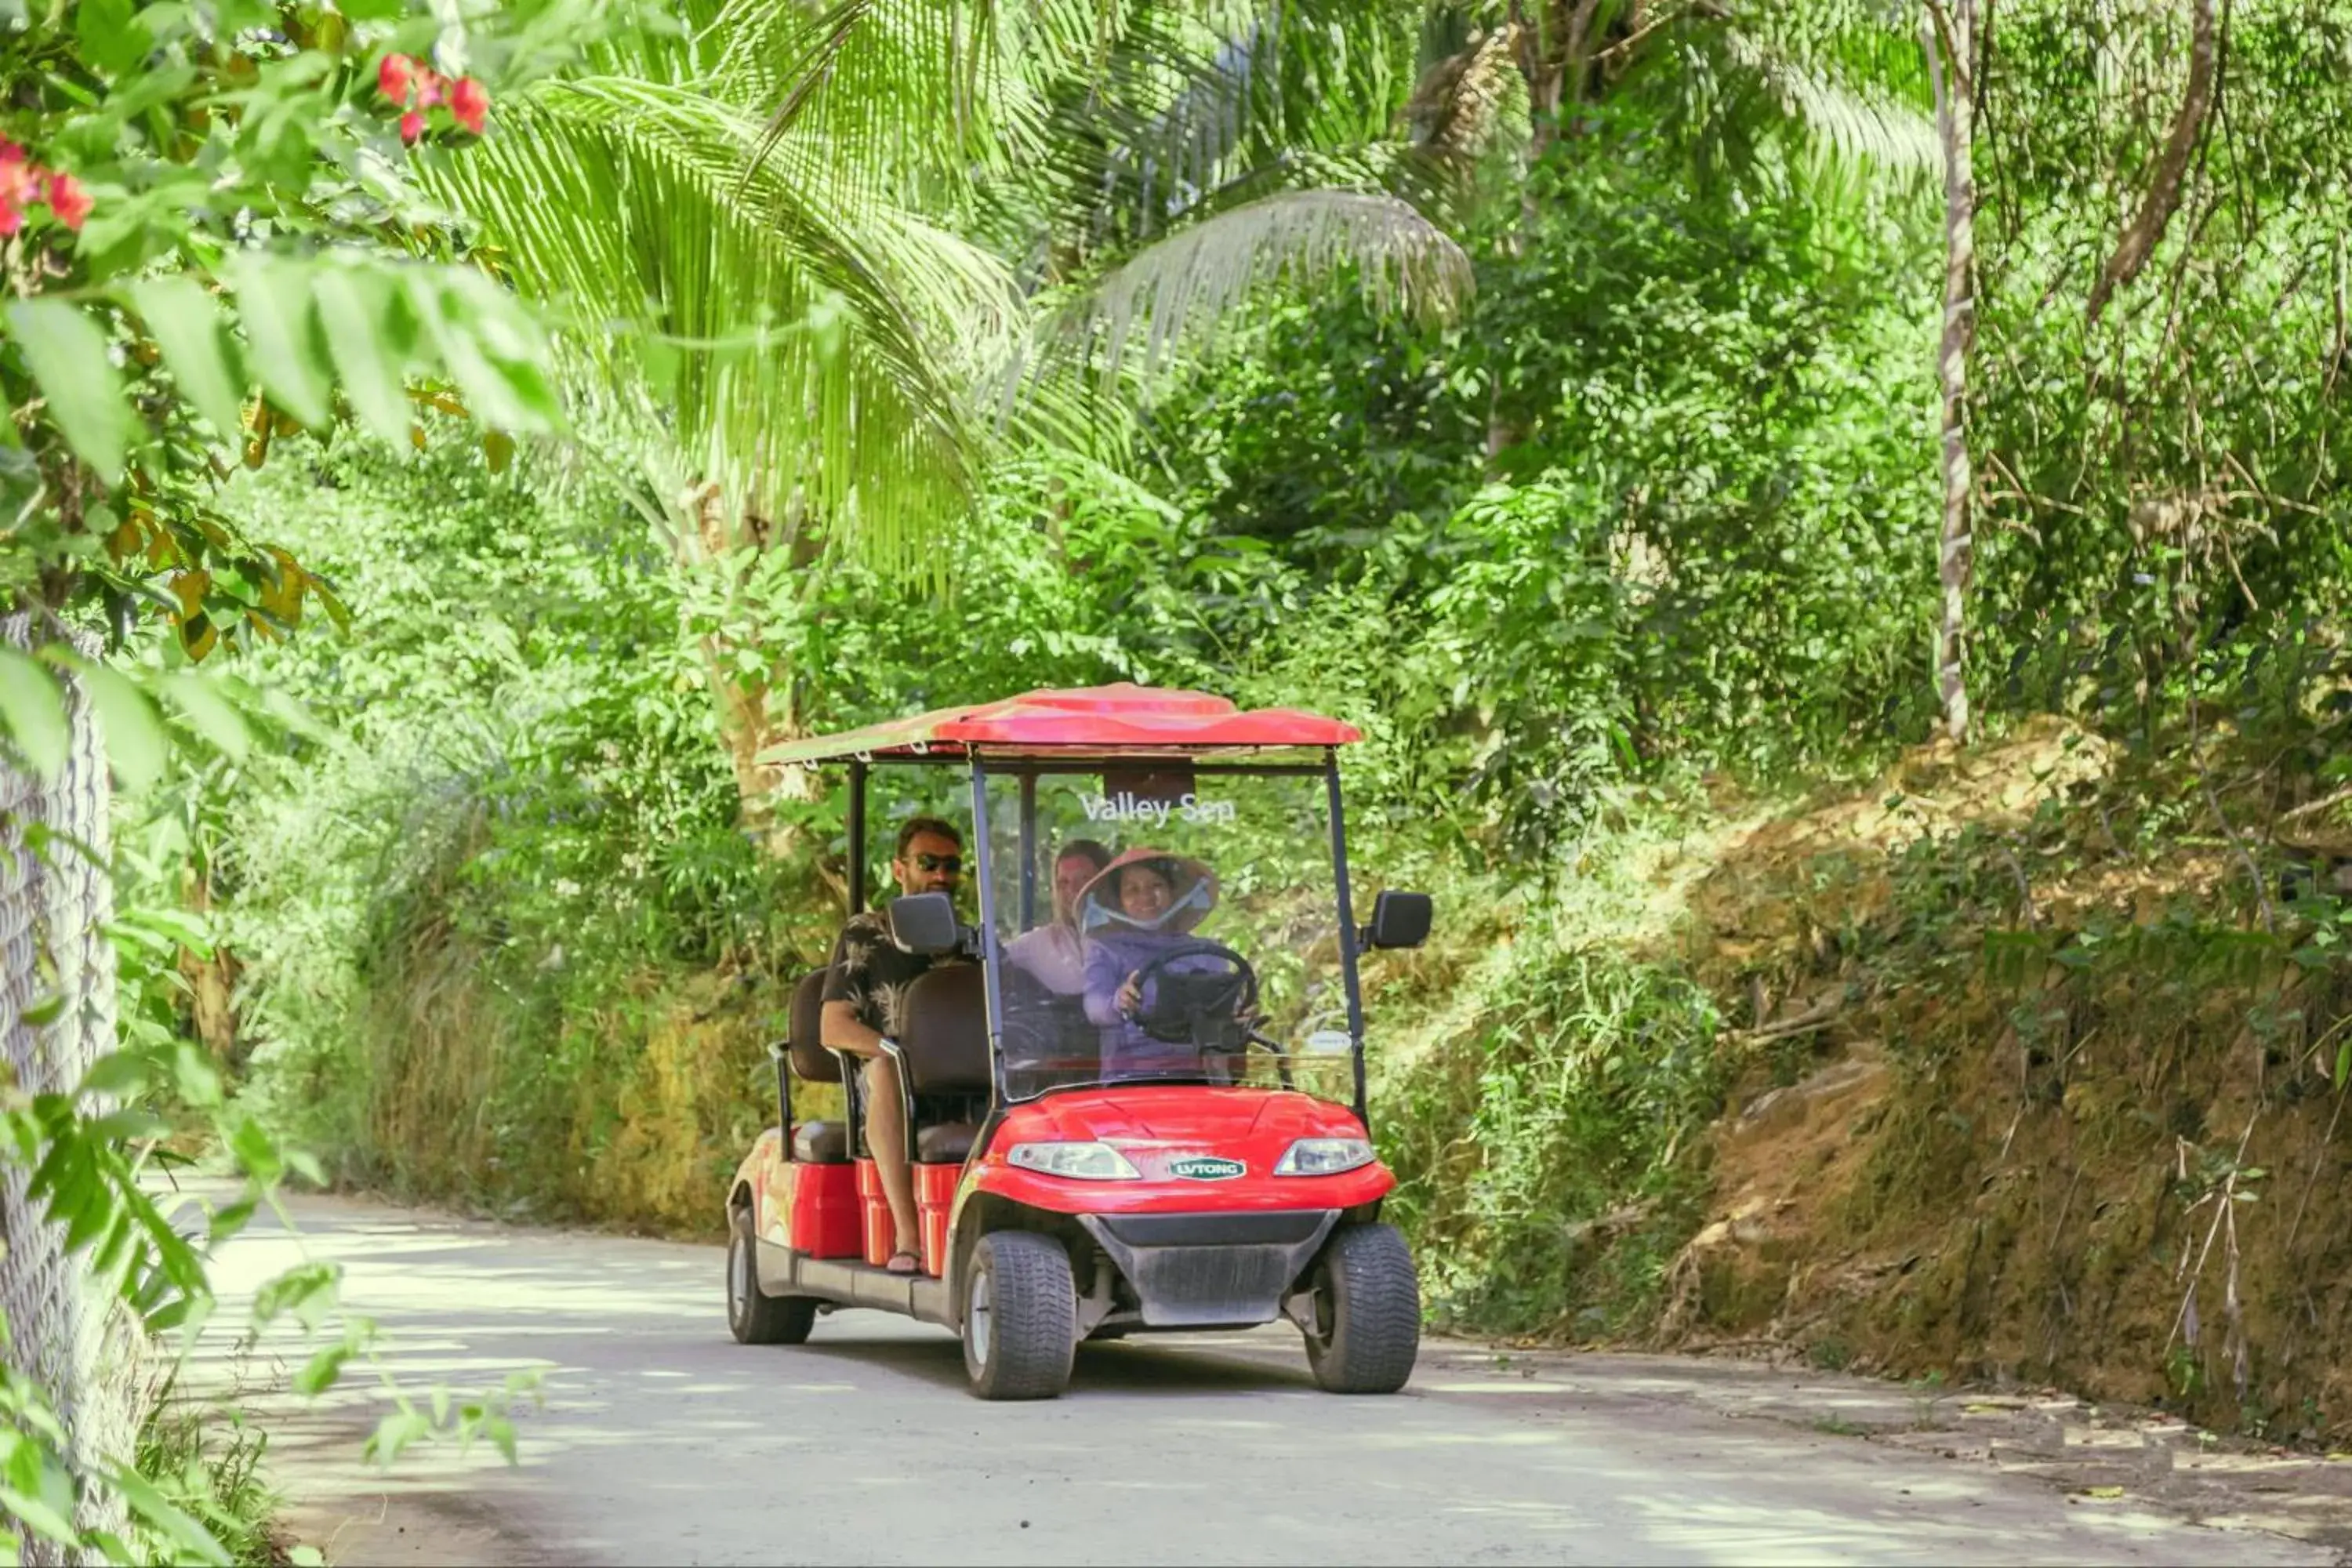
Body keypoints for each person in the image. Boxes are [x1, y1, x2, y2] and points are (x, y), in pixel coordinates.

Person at [820, 815, 965, 1276]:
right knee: (883, 1071)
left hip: (966, 1076)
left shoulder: (970, 939)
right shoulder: (866, 934)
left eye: (951, 865)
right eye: (928, 863)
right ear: (900, 869)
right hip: (891, 1081)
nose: (941, 875)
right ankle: (909, 1234)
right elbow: (833, 1027)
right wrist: (893, 1052)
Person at [1077, 848, 1232, 1080]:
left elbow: (1227, 1010)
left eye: (1156, 885)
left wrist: (1238, 1012)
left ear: (1173, 892)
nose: (1145, 896)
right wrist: (1120, 1000)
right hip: (1129, 1080)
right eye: (1132, 889)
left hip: (1200, 1078)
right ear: (1118, 901)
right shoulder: (1105, 950)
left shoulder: (1207, 953)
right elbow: (1095, 1006)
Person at [1005, 837, 1112, 995]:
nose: (1073, 890)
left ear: (1108, 881)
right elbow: (992, 962)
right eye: (1063, 882)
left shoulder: (1134, 937)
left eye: (1084, 879)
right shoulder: (1041, 942)